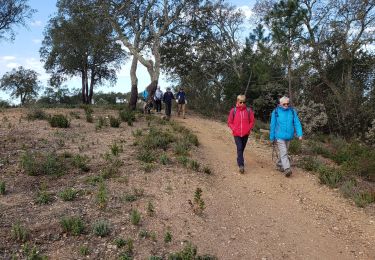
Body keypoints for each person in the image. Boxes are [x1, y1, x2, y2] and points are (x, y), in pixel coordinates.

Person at [269, 96, 303, 177]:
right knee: (284, 152)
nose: (286, 105)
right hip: (279, 136)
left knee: (284, 152)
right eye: (284, 104)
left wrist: (300, 134)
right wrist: (272, 137)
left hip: (289, 136)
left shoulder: (292, 111)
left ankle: (279, 164)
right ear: (280, 104)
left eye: (288, 104)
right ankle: (287, 169)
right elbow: (272, 125)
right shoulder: (276, 112)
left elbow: (297, 123)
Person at [227, 95, 255, 174]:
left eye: (244, 102)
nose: (242, 103)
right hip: (237, 133)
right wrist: (234, 129)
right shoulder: (233, 110)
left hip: (245, 134)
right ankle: (241, 165)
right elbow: (229, 122)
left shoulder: (249, 111)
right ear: (237, 102)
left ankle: (239, 159)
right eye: (241, 102)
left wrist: (248, 129)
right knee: (239, 148)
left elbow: (252, 121)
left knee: (242, 149)